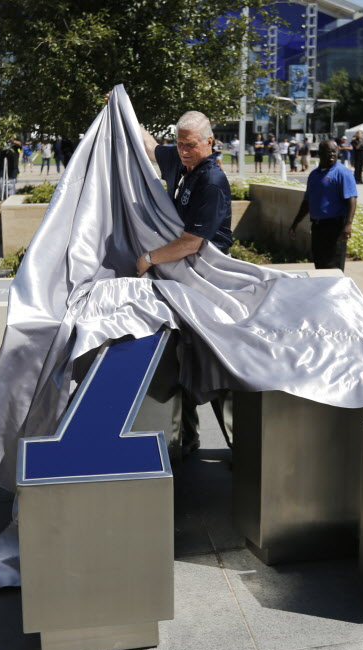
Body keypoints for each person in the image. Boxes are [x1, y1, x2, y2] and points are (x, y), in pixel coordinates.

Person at [134, 109, 234, 452]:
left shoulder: (212, 181)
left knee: (218, 364)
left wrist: (149, 259)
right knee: (180, 359)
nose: (184, 150)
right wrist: (123, 109)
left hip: (208, 282)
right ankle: (185, 440)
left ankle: (241, 445)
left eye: (190, 144)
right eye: (179, 143)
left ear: (210, 142)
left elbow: (193, 242)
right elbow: (149, 145)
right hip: (180, 281)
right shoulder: (179, 162)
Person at [288, 139, 358, 271]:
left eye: (334, 151)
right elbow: (307, 202)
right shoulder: (314, 175)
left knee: (333, 267)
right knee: (320, 264)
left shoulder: (343, 172)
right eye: (328, 151)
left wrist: (348, 224)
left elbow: (352, 199)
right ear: (319, 153)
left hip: (335, 227)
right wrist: (295, 223)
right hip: (317, 227)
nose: (332, 154)